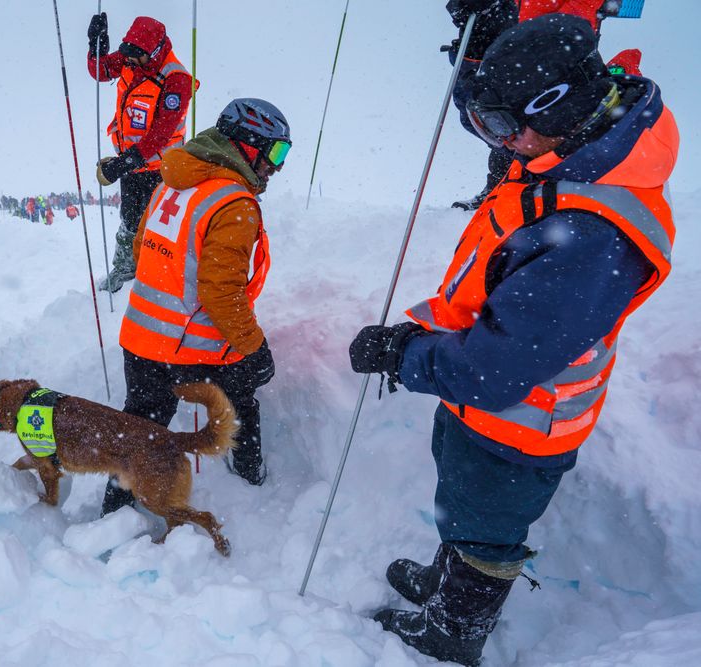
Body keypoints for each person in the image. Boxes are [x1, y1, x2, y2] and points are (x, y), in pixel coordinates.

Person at [349, 15, 678, 665]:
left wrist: (403, 355)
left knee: (488, 529)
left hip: (522, 420)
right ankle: (448, 579)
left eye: (500, 127)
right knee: (463, 499)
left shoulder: (589, 235)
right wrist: (419, 331)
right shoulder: (569, 149)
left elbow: (495, 370)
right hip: (486, 406)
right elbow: (495, 288)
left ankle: (456, 628)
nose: (495, 143)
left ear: (553, 108)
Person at [103, 98, 291, 514]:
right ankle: (248, 476)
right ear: (249, 145)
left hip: (140, 339)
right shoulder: (233, 203)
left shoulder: (170, 183)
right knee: (242, 393)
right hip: (187, 350)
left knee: (140, 430)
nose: (277, 166)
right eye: (276, 152)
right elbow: (222, 294)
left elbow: (140, 250)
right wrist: (254, 349)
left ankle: (114, 510)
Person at [445, 0, 642, 210]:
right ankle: (506, 187)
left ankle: (534, 193)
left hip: (551, 40)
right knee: (494, 120)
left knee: (520, 126)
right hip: (529, 32)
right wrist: (479, 34)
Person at [87, 13, 197, 293]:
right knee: (130, 219)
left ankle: (158, 279)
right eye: (129, 56)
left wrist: (124, 163)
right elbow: (101, 71)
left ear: (156, 51)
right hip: (132, 165)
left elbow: (160, 134)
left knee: (159, 225)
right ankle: (125, 270)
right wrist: (95, 46)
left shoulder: (176, 79)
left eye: (138, 58)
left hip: (162, 169)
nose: (131, 62)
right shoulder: (131, 57)